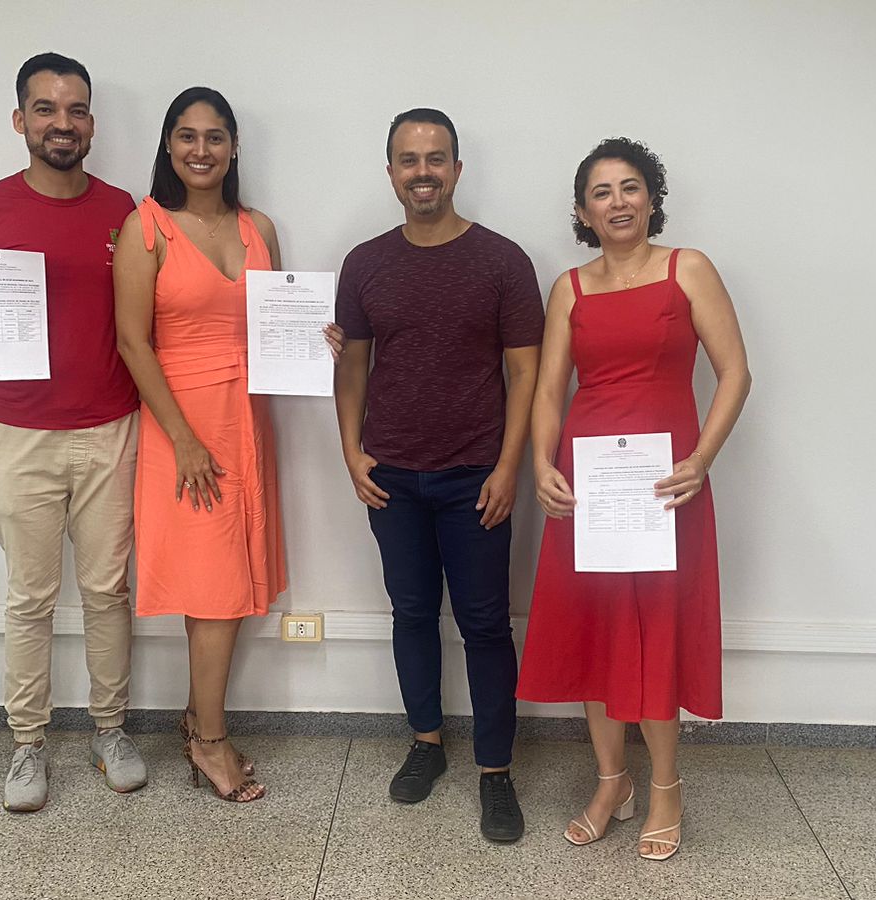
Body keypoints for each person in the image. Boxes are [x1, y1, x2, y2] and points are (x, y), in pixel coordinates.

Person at [0, 52, 147, 812]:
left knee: (108, 591)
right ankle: (28, 745)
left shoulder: (124, 210)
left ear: (92, 124)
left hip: (111, 428)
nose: (61, 123)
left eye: (75, 110)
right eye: (45, 109)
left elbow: (164, 313)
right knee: (30, 597)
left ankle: (110, 731)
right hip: (17, 434)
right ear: (21, 121)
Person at [516, 138, 751, 861]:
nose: (616, 202)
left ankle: (666, 790)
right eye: (601, 192)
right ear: (583, 209)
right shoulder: (570, 288)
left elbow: (736, 372)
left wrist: (702, 460)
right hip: (588, 484)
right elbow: (550, 389)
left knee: (655, 629)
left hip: (665, 484)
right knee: (595, 630)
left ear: (651, 196)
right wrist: (540, 464)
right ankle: (612, 781)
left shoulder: (689, 270)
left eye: (629, 188)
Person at [113, 87, 341, 803]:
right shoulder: (144, 227)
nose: (201, 149)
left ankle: (197, 718)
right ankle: (208, 738)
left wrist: (320, 340)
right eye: (187, 136)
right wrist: (181, 439)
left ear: (234, 146)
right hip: (183, 422)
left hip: (246, 419)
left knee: (236, 581)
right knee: (210, 589)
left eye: (215, 137)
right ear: (169, 146)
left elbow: (278, 323)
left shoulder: (258, 227)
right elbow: (131, 341)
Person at [333, 108, 543, 843]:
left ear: (457, 170)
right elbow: (352, 363)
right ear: (390, 172)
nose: (422, 171)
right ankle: (426, 742)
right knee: (412, 614)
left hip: (475, 478)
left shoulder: (503, 262)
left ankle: (495, 768)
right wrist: (350, 449)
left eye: (436, 158)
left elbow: (527, 373)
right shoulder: (364, 263)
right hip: (390, 475)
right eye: (407, 159)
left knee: (486, 625)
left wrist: (510, 465)